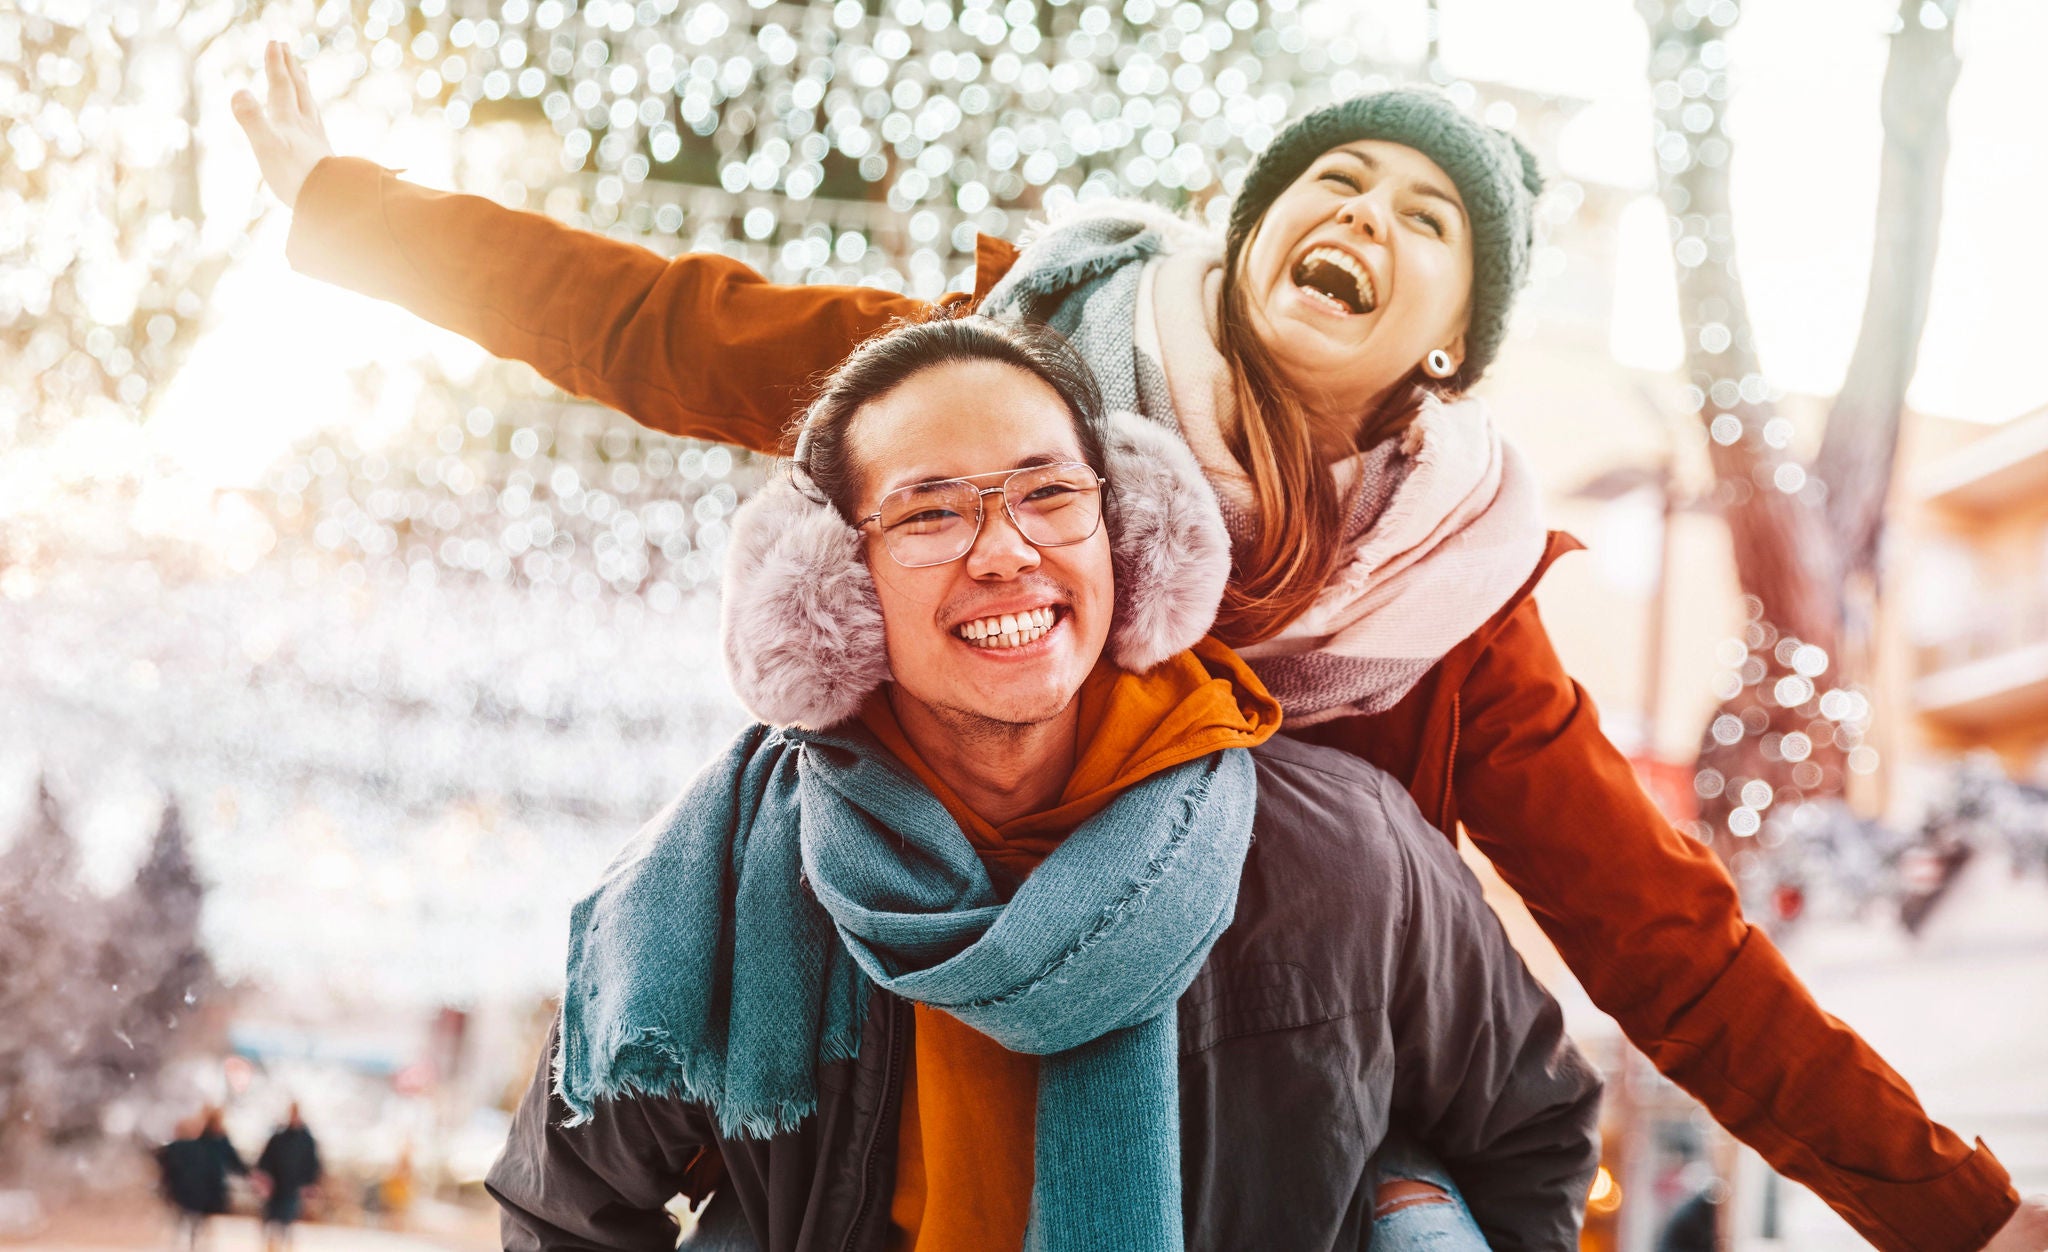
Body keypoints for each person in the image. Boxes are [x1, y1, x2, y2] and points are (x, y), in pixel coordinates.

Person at [235, 43, 2048, 1250]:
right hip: (887, 1061)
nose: (1360, 215)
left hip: (1235, 1129)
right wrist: (356, 217)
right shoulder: (996, 389)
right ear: (1256, 224)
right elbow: (664, 322)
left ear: (1444, 347)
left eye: (1423, 222)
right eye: (1333, 178)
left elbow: (1672, 949)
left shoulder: (1444, 618)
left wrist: (1954, 1213)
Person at [485, 314, 1601, 1251]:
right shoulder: (729, 872)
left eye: (1047, 493)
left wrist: (1413, 1208)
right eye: (929, 511)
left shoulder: (1347, 853)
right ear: (835, 585)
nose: (1005, 550)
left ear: (1127, 533)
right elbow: (563, 1207)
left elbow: (1531, 1137)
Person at [158, 1114, 231, 1251]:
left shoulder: (171, 1148)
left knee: (180, 1223)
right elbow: (209, 1170)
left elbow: (166, 1171)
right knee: (196, 1225)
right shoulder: (203, 1147)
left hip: (178, 1192)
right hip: (197, 1192)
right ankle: (193, 1246)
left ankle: (179, 1245)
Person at [255, 1103, 322, 1251]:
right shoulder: (278, 1137)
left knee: (287, 1220)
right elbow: (266, 1159)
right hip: (276, 1186)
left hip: (293, 1187)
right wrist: (264, 1178)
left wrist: (309, 1183)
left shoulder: (306, 1140)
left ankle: (285, 1246)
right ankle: (271, 1246)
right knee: (272, 1220)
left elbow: (313, 1164)